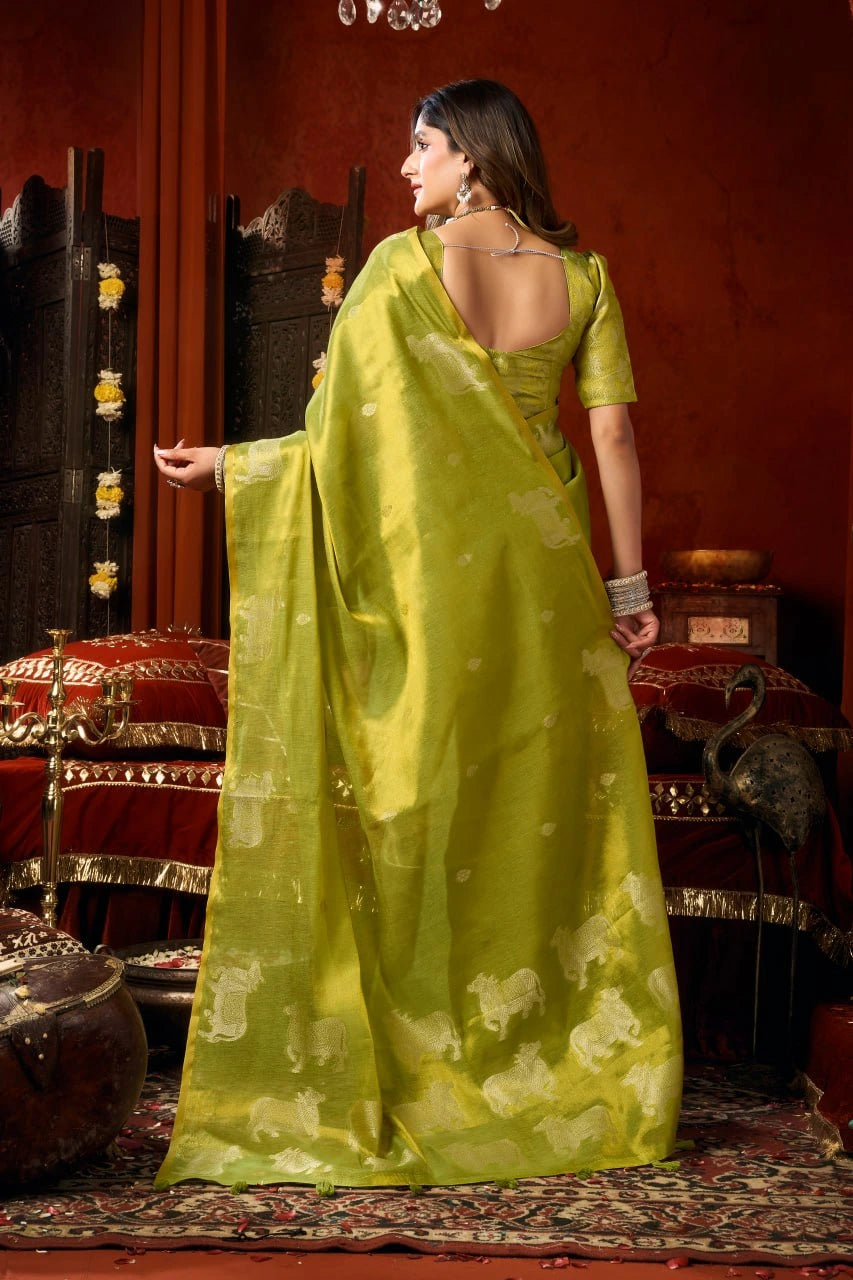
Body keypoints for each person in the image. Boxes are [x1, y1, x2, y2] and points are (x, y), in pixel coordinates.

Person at [153, 79, 682, 1190]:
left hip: (436, 580)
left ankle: (424, 1050)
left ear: (474, 159)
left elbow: (344, 442)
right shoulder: (583, 280)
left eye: (422, 146)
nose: (407, 170)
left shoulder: (405, 267)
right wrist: (629, 593)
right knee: (539, 811)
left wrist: (235, 468)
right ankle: (546, 1056)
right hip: (547, 580)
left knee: (418, 798)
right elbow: (616, 435)